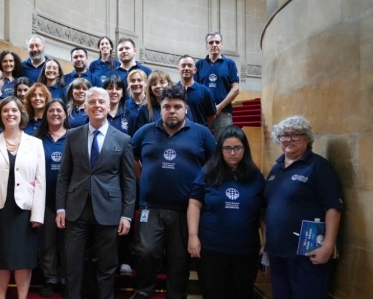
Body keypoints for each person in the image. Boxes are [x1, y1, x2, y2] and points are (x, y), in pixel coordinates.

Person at [130, 86, 215, 299]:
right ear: (160, 109)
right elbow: (131, 158)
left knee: (179, 259)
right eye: (166, 106)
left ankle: (176, 295)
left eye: (177, 106)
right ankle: (142, 291)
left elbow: (214, 165)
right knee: (146, 251)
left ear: (186, 109)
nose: (172, 110)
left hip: (186, 209)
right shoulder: (146, 131)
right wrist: (144, 179)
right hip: (150, 206)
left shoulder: (202, 133)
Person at [56, 87, 136, 299]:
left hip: (109, 209)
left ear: (109, 106)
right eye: (92, 102)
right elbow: (64, 174)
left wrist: (127, 214)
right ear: (85, 106)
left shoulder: (123, 139)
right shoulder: (73, 135)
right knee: (72, 263)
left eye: (102, 101)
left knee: (107, 264)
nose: (97, 105)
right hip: (76, 208)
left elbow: (128, 180)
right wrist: (60, 207)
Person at [263, 115, 343, 299]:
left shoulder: (318, 166)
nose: (288, 139)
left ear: (306, 137)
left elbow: (333, 207)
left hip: (308, 254)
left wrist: (328, 246)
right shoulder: (276, 168)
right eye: (284, 135)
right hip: (278, 251)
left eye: (295, 134)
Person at [0, 96, 46, 299]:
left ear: (21, 114)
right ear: (0, 116)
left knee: (23, 259)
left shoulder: (35, 144)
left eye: (14, 110)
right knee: (0, 259)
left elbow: (40, 181)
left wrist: (37, 214)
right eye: (6, 111)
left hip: (24, 210)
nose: (10, 114)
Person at [187, 125, 265, 299]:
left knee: (241, 294)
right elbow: (194, 204)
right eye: (227, 148)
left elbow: (263, 211)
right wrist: (193, 236)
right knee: (213, 293)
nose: (232, 152)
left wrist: (267, 239)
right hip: (212, 249)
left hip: (246, 250)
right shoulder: (207, 172)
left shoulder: (255, 176)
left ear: (245, 149)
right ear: (220, 150)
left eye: (237, 148)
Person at [33, 99, 70, 297]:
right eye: (51, 110)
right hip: (43, 199)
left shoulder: (75, 137)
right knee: (46, 243)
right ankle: (50, 278)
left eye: (59, 110)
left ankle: (65, 278)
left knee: (68, 243)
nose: (55, 113)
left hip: (69, 200)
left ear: (65, 114)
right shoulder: (36, 139)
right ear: (45, 114)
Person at [194, 32, 240, 139]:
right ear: (206, 46)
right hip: (203, 113)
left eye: (217, 42)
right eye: (211, 42)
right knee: (200, 143)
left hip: (223, 113)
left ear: (221, 45)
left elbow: (236, 89)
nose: (214, 44)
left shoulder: (230, 64)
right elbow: (195, 88)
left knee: (223, 145)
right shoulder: (199, 65)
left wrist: (219, 107)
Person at [177, 54, 216, 127]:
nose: (186, 68)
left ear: (195, 70)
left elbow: (212, 116)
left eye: (189, 65)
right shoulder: (172, 91)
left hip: (199, 134)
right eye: (183, 65)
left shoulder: (205, 91)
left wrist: (202, 129)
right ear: (178, 69)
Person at [125, 69, 147, 135]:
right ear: (128, 84)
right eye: (132, 80)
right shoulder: (124, 106)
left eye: (139, 80)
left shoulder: (151, 104)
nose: (136, 83)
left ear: (146, 83)